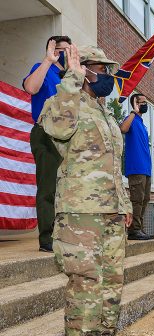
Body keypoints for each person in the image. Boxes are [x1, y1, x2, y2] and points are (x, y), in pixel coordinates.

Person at [39, 44, 136, 336]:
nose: (108, 75)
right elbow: (57, 129)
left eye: (110, 70)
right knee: (86, 281)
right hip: (81, 212)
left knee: (111, 280)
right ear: (85, 70)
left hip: (111, 211)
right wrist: (70, 79)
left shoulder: (104, 112)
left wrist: (124, 204)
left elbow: (114, 165)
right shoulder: (64, 101)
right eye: (103, 69)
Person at [23, 35, 71, 252]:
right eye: (62, 50)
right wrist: (48, 60)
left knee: (69, 188)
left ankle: (67, 233)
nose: (66, 53)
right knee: (48, 188)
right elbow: (31, 88)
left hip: (69, 135)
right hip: (46, 133)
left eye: (69, 49)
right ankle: (47, 238)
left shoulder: (71, 76)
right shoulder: (42, 68)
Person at [120, 93, 154, 240]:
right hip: (136, 168)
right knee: (137, 199)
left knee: (145, 199)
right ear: (135, 103)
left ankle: (138, 228)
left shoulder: (142, 124)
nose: (145, 105)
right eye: (142, 102)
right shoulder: (131, 119)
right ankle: (133, 231)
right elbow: (123, 129)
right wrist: (133, 112)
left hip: (146, 169)